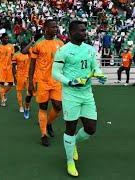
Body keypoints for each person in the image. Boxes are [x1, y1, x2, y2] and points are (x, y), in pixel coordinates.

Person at [52, 20, 107, 177]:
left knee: (91, 129)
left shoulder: (90, 49)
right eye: (81, 31)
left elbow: (94, 66)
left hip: (87, 94)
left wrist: (99, 73)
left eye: (85, 30)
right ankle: (70, 161)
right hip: (71, 95)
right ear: (72, 32)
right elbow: (55, 73)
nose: (85, 33)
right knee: (70, 128)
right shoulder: (63, 51)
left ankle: (73, 142)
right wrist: (70, 82)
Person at [28, 19, 64, 147]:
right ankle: (43, 134)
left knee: (58, 106)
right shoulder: (38, 44)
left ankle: (48, 123)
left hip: (56, 80)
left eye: (56, 27)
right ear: (45, 28)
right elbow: (32, 64)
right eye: (53, 27)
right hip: (42, 80)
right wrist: (30, 82)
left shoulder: (60, 43)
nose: (56, 29)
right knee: (43, 107)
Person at [0, 33, 15, 107]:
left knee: (11, 83)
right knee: (2, 83)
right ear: (2, 38)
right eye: (5, 38)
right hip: (0, 68)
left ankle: (3, 93)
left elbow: (12, 57)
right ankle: (2, 100)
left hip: (9, 68)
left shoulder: (11, 46)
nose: (6, 39)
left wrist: (13, 67)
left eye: (7, 38)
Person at [12, 42, 31, 113]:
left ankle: (26, 105)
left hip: (28, 76)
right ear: (21, 47)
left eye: (26, 46)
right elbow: (13, 67)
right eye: (24, 46)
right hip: (19, 76)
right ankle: (20, 106)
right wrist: (14, 77)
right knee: (19, 91)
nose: (26, 48)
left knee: (29, 92)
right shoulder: (16, 55)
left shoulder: (30, 54)